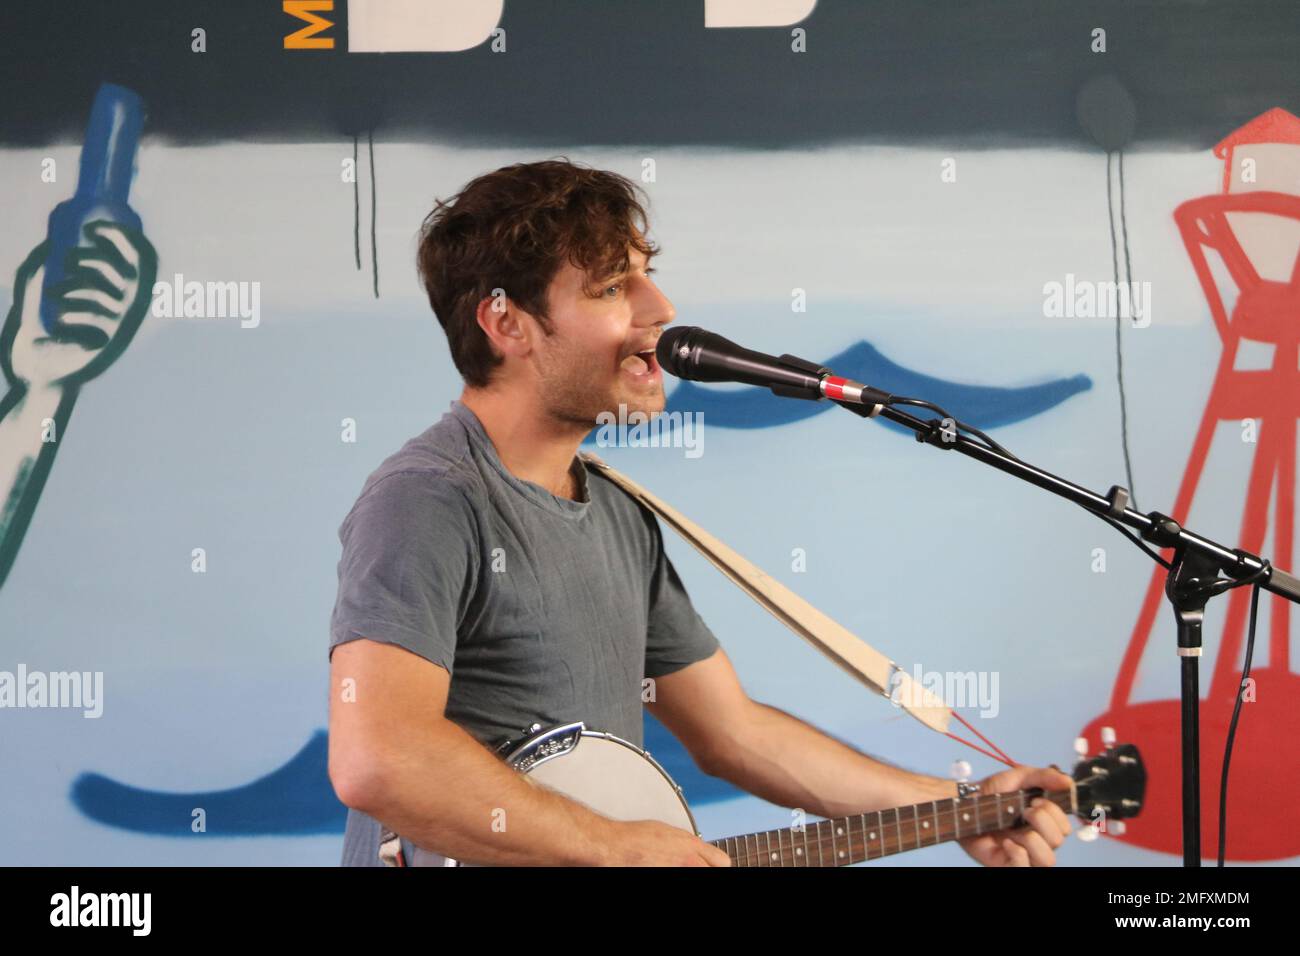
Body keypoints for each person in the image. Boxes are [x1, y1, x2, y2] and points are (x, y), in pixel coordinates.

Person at [327, 158, 1072, 866]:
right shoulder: (429, 498)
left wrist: (957, 805)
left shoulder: (618, 511)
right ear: (508, 324)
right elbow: (377, 758)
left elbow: (735, 734)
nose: (662, 310)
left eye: (648, 277)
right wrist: (612, 846)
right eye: (615, 287)